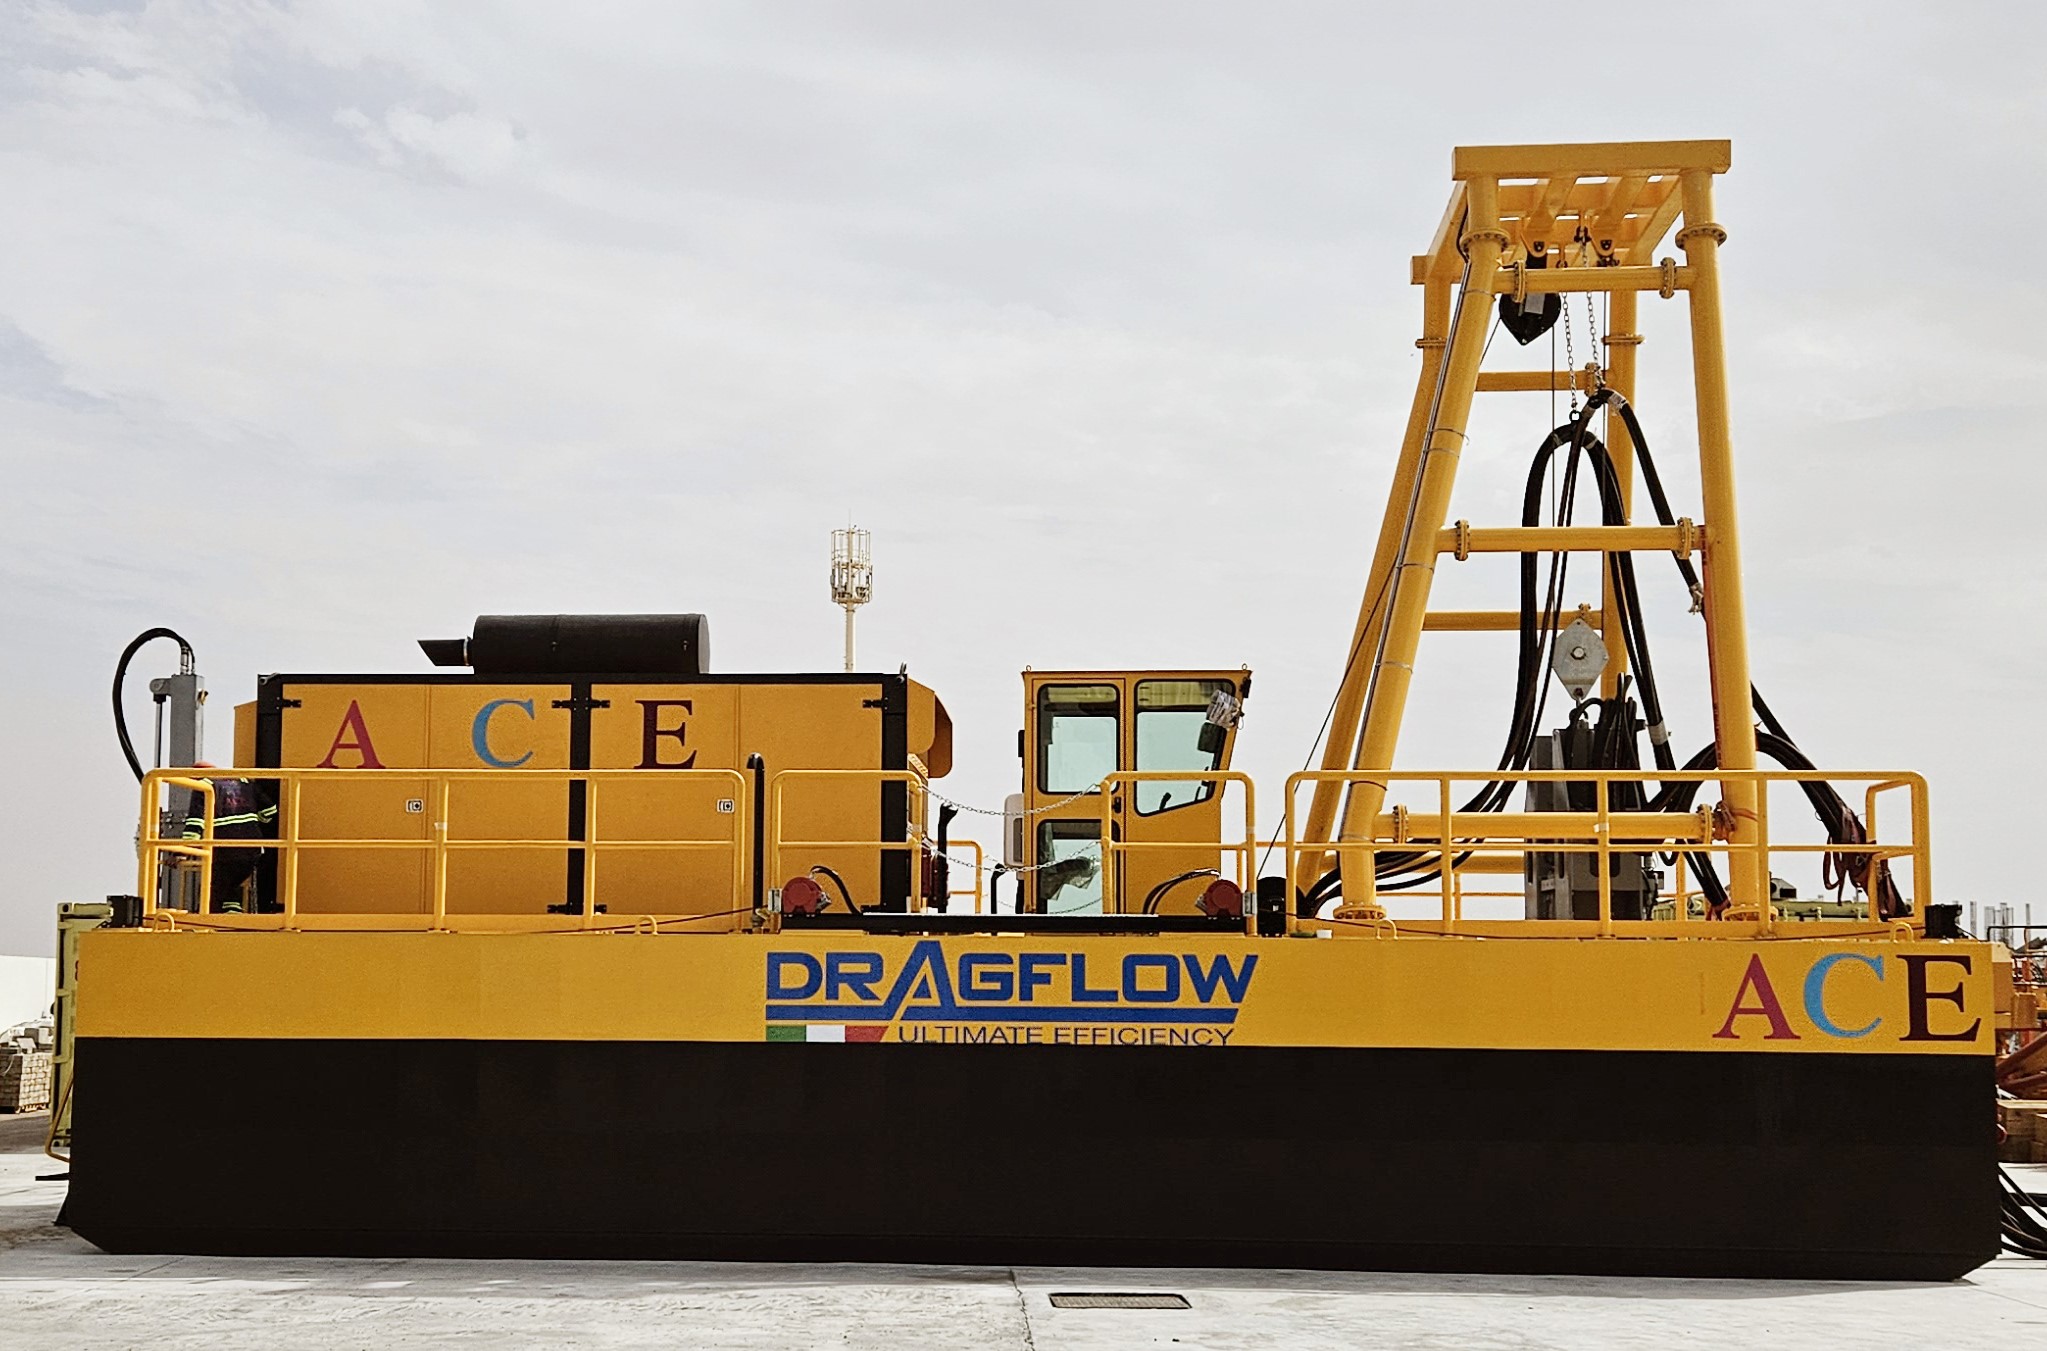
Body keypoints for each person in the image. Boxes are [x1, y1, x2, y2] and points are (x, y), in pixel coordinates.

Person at [181, 765, 279, 913]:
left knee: (212, 892)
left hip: (223, 849)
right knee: (231, 886)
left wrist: (183, 851)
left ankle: (206, 923)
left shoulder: (204, 785)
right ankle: (232, 915)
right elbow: (270, 810)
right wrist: (255, 821)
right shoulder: (245, 782)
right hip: (252, 850)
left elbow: (195, 823)